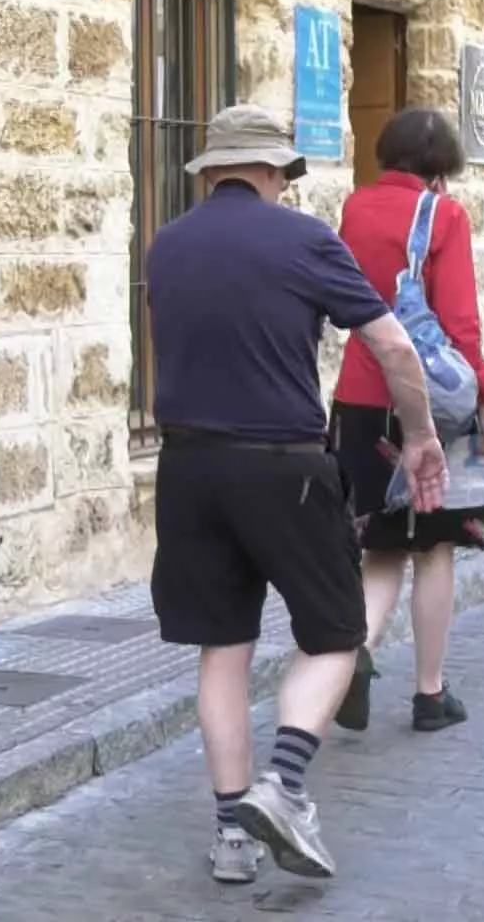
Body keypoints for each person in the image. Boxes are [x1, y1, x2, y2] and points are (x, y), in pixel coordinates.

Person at [144, 104, 449, 885]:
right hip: (282, 465)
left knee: (225, 645)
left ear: (210, 172)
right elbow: (389, 341)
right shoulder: (307, 239)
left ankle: (231, 838)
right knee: (339, 632)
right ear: (275, 172)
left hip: (187, 469)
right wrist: (418, 435)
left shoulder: (167, 247)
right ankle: (282, 784)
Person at [328, 107, 484, 735]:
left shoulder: (354, 208)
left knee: (378, 546)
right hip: (425, 406)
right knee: (433, 546)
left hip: (358, 399)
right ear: (442, 167)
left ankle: (357, 651)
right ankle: (430, 693)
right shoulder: (445, 216)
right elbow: (460, 323)